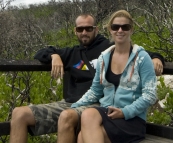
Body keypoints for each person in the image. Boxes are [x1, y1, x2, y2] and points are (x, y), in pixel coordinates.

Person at [9, 13, 163, 143]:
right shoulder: (72, 52)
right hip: (72, 102)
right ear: (75, 31)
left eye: (88, 28)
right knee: (19, 113)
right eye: (80, 29)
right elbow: (40, 53)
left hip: (97, 105)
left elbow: (139, 54)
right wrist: (53, 55)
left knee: (67, 117)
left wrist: (156, 59)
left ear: (96, 29)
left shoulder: (107, 48)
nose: (84, 32)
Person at [70, 10, 157, 143]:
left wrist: (125, 112)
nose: (120, 30)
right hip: (108, 113)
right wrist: (75, 105)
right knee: (86, 122)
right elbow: (96, 90)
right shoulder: (104, 58)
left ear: (131, 30)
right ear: (110, 30)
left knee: (83, 136)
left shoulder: (142, 58)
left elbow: (150, 95)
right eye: (115, 27)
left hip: (132, 119)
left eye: (125, 27)